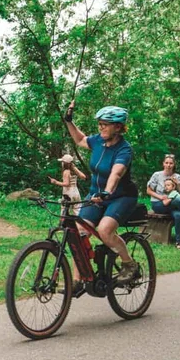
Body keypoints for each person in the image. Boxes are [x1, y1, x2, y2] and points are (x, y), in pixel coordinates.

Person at [62, 102, 140, 282]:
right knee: (78, 234)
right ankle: (77, 281)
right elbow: (80, 139)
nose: (101, 127)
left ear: (118, 127)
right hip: (96, 195)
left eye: (105, 124)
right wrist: (69, 121)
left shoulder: (124, 149)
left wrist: (106, 192)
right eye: (99, 124)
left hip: (121, 196)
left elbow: (116, 173)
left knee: (104, 231)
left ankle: (129, 264)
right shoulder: (98, 141)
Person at [147, 154, 180, 247]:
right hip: (158, 203)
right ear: (163, 164)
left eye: (171, 163)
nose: (168, 165)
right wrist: (160, 197)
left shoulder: (177, 176)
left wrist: (178, 184)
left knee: (178, 215)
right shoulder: (157, 175)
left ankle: (178, 242)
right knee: (179, 202)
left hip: (172, 205)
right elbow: (148, 191)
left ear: (174, 164)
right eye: (166, 163)